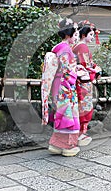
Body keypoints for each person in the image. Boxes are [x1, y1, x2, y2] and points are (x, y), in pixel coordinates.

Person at [46, 18, 81, 157]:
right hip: (65, 85)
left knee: (60, 112)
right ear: (68, 34)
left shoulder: (58, 48)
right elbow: (67, 71)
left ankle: (56, 145)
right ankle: (68, 146)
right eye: (75, 33)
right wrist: (77, 72)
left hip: (57, 83)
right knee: (69, 113)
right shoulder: (66, 49)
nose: (76, 36)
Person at [72, 20, 101, 146]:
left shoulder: (79, 46)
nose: (92, 37)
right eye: (90, 35)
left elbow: (88, 64)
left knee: (81, 106)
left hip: (81, 80)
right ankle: (80, 134)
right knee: (84, 106)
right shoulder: (82, 47)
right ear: (83, 35)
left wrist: (94, 68)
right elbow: (85, 65)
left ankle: (79, 133)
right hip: (83, 81)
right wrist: (96, 71)